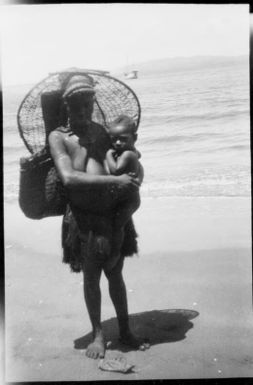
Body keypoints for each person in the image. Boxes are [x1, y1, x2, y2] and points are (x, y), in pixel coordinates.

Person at [48, 74, 149, 359]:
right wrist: (114, 183)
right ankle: (98, 335)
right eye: (76, 106)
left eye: (87, 104)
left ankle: (125, 330)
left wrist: (131, 178)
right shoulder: (59, 137)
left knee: (115, 274)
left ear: (94, 103)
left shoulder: (103, 132)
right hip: (83, 220)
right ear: (67, 106)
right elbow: (69, 177)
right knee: (91, 277)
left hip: (113, 215)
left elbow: (126, 157)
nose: (82, 111)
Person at [105, 114, 141, 271]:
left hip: (129, 200)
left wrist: (107, 155)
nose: (118, 143)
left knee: (118, 226)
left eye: (123, 139)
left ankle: (114, 254)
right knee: (116, 224)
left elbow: (116, 170)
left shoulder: (126, 154)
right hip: (125, 198)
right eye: (114, 139)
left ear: (134, 138)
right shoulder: (130, 150)